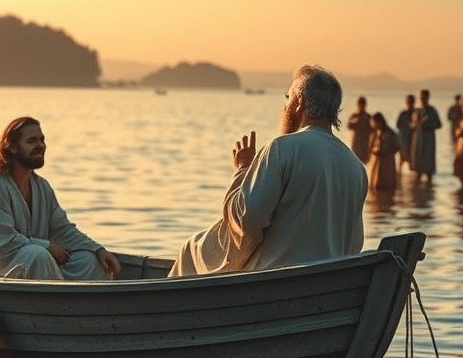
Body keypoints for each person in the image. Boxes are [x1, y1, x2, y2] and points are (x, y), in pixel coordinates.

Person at [168, 65, 367, 277]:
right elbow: (354, 244)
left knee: (190, 248)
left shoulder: (281, 149)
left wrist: (242, 171)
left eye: (288, 98)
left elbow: (247, 222)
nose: (285, 106)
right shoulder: (355, 167)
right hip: (327, 284)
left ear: (299, 102)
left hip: (274, 281)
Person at [0, 117, 121, 280]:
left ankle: (76, 301)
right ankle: (59, 301)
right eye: (32, 141)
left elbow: (63, 230)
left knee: (90, 261)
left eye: (42, 140)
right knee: (38, 255)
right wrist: (46, 246)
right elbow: (2, 245)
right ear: (12, 148)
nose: (41, 146)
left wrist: (97, 249)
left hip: (36, 264)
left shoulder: (42, 187)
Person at [410, 89, 441, 184]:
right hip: (418, 140)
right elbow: (411, 125)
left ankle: (429, 188)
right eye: (421, 98)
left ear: (428, 98)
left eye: (424, 98)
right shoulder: (417, 111)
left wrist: (427, 124)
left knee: (429, 168)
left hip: (428, 141)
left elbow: (438, 124)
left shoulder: (432, 111)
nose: (422, 100)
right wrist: (416, 123)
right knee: (417, 168)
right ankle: (417, 192)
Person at [368, 112, 400, 192]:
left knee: (387, 187)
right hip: (376, 161)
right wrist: (375, 151)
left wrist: (386, 152)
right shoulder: (375, 133)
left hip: (387, 163)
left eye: (375, 123)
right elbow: (370, 148)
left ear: (380, 121)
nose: (374, 125)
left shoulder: (391, 133)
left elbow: (397, 147)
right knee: (375, 188)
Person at [346, 96, 372, 163]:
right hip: (356, 145)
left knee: (363, 164)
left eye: (362, 104)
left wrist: (371, 145)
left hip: (364, 146)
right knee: (355, 163)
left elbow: (373, 131)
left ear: (365, 105)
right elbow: (349, 126)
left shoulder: (368, 117)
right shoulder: (356, 116)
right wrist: (351, 119)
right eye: (359, 104)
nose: (360, 106)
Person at [396, 94, 415, 171]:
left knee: (412, 161)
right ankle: (399, 176)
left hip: (413, 140)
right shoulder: (402, 113)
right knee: (401, 160)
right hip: (403, 140)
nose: (409, 103)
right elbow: (398, 125)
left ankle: (413, 181)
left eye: (410, 102)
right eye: (408, 101)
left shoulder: (416, 112)